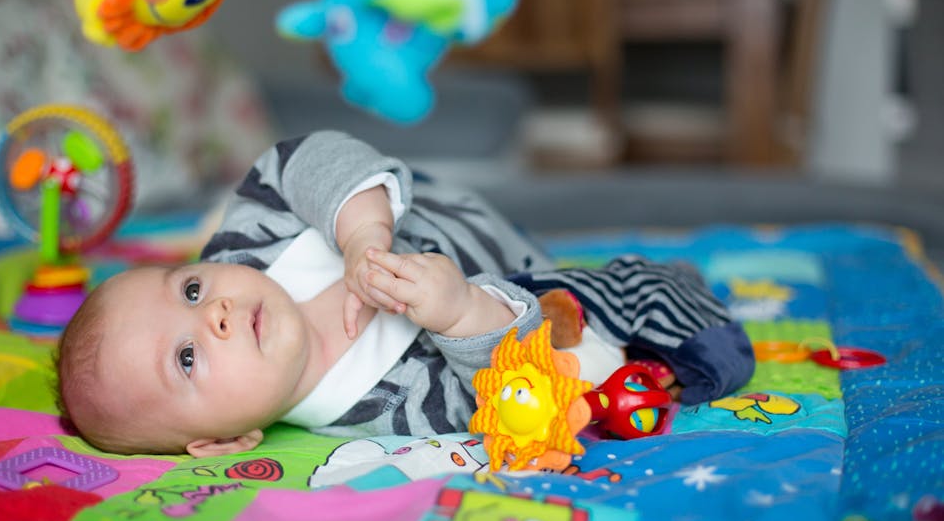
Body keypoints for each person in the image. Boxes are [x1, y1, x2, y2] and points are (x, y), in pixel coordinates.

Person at [56, 130, 754, 457]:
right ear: (227, 440)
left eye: (190, 288)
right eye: (186, 358)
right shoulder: (384, 410)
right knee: (588, 337)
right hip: (518, 276)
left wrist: (362, 234)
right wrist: (458, 313)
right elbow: (499, 389)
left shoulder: (251, 239)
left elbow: (301, 157)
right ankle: (655, 289)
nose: (214, 312)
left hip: (451, 211)